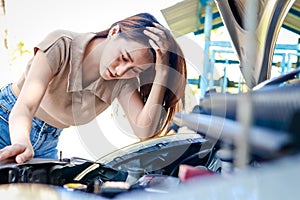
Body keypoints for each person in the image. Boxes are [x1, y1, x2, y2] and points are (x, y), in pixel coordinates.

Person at [0, 13, 187, 164]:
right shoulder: (62, 44)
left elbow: (144, 131)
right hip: (7, 121)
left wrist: (162, 74)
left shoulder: (123, 82)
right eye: (123, 57)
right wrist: (21, 141)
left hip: (47, 143)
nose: (120, 71)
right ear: (114, 31)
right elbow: (25, 107)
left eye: (135, 70)